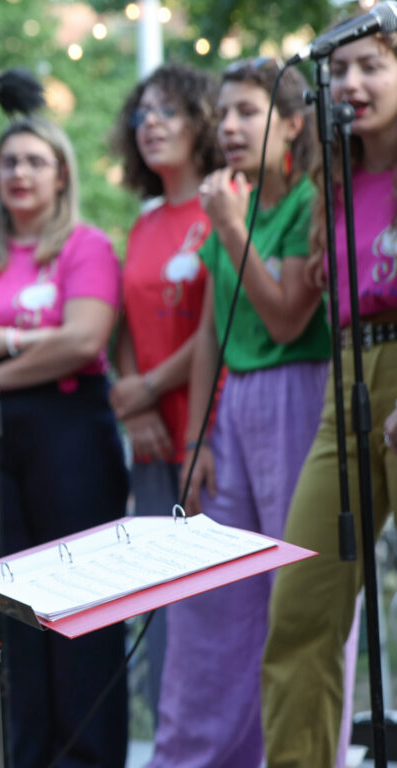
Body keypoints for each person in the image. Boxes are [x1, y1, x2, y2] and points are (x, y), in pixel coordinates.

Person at [0, 116, 129, 767]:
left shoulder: (86, 244)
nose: (17, 173)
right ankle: (20, 755)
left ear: (62, 172)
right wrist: (27, 342)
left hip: (71, 431)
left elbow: (84, 339)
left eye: (34, 161)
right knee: (9, 603)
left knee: (80, 601)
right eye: (8, 161)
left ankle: (89, 757)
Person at [146, 57, 331, 768]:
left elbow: (286, 319)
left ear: (290, 123)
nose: (227, 126)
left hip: (299, 392)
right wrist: (197, 440)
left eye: (246, 112)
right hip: (231, 405)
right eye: (222, 112)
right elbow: (209, 330)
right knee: (212, 605)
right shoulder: (234, 204)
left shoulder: (310, 201)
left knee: (295, 599)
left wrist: (227, 227)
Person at [262, 27, 397, 767]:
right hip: (344, 382)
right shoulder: (334, 183)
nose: (350, 83)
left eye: (371, 67)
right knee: (301, 604)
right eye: (339, 70)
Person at [107, 63, 222, 725]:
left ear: (203, 122)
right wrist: (138, 403)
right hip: (149, 432)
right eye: (141, 113)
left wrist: (148, 388)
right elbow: (126, 316)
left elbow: (214, 325)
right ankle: (175, 740)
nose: (149, 123)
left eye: (168, 111)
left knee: (210, 603)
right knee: (160, 599)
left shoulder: (226, 203)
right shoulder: (148, 220)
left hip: (207, 425)